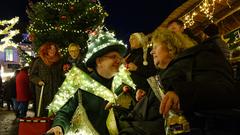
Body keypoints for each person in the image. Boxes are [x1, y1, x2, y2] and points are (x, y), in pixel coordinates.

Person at [150, 27, 240, 134]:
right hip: (160, 125)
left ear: (170, 46)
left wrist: (181, 94)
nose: (152, 52)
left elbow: (225, 90)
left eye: (155, 47)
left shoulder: (201, 56)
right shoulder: (159, 75)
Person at [47, 30, 128, 135]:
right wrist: (59, 127)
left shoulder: (123, 86)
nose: (120, 61)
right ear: (99, 61)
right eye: (113, 57)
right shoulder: (81, 85)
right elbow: (65, 113)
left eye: (120, 57)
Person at [30, 42, 64, 117]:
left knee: (56, 113)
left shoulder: (60, 61)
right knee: (43, 112)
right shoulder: (39, 61)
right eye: (50, 49)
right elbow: (32, 75)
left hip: (56, 91)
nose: (52, 50)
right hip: (43, 91)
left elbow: (62, 75)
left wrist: (65, 71)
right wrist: (38, 81)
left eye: (54, 49)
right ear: (46, 50)